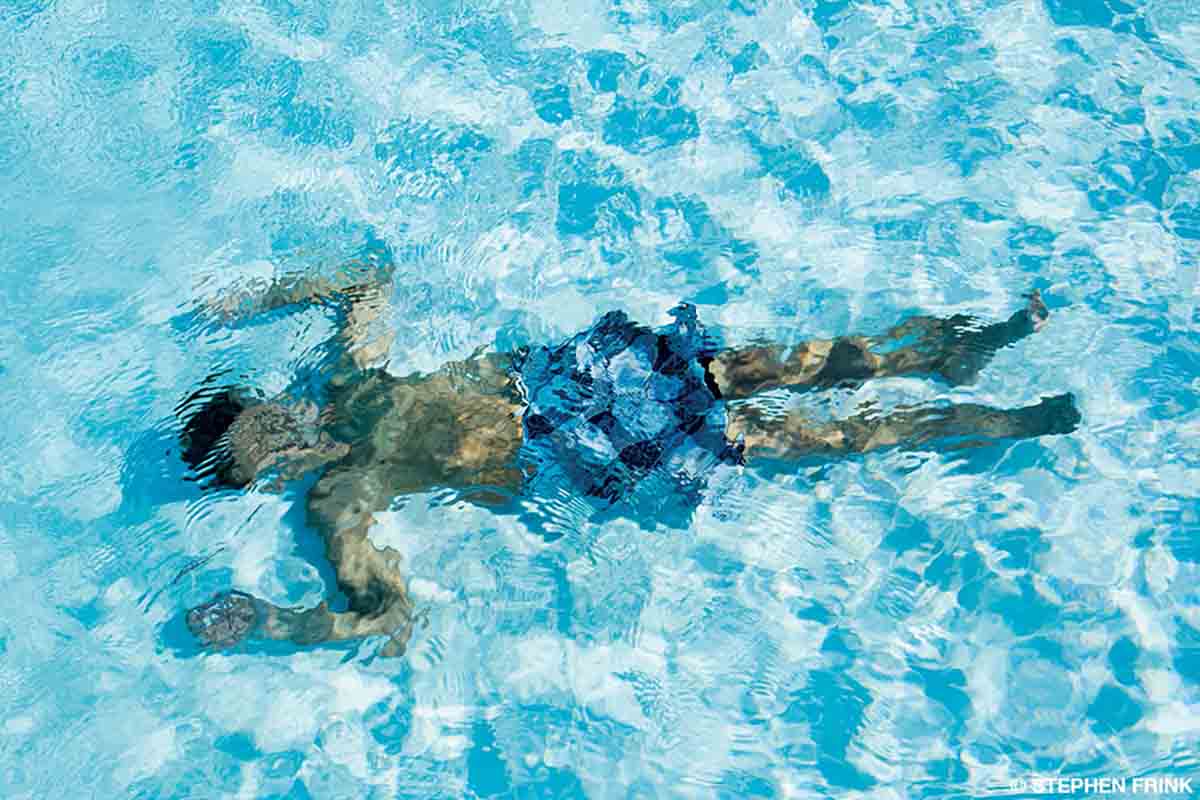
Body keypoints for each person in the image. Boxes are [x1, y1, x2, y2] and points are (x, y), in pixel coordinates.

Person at [178, 256, 1080, 656]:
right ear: (272, 478)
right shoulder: (341, 496)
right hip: (569, 446)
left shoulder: (350, 381)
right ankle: (987, 421)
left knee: (791, 363)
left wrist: (263, 294)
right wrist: (272, 621)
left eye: (268, 416)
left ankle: (946, 350)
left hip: (574, 377)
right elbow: (384, 616)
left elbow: (366, 277)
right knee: (822, 436)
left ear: (266, 398)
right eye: (271, 451)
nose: (290, 432)